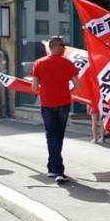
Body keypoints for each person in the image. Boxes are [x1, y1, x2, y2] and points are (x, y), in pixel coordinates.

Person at [31, 36, 81, 184]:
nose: (65, 48)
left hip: (47, 104)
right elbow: (78, 86)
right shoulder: (67, 63)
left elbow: (34, 88)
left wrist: (45, 90)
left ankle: (52, 168)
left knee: (51, 136)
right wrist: (67, 93)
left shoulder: (39, 63)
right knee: (58, 135)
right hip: (64, 103)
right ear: (55, 46)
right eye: (63, 45)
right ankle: (58, 170)